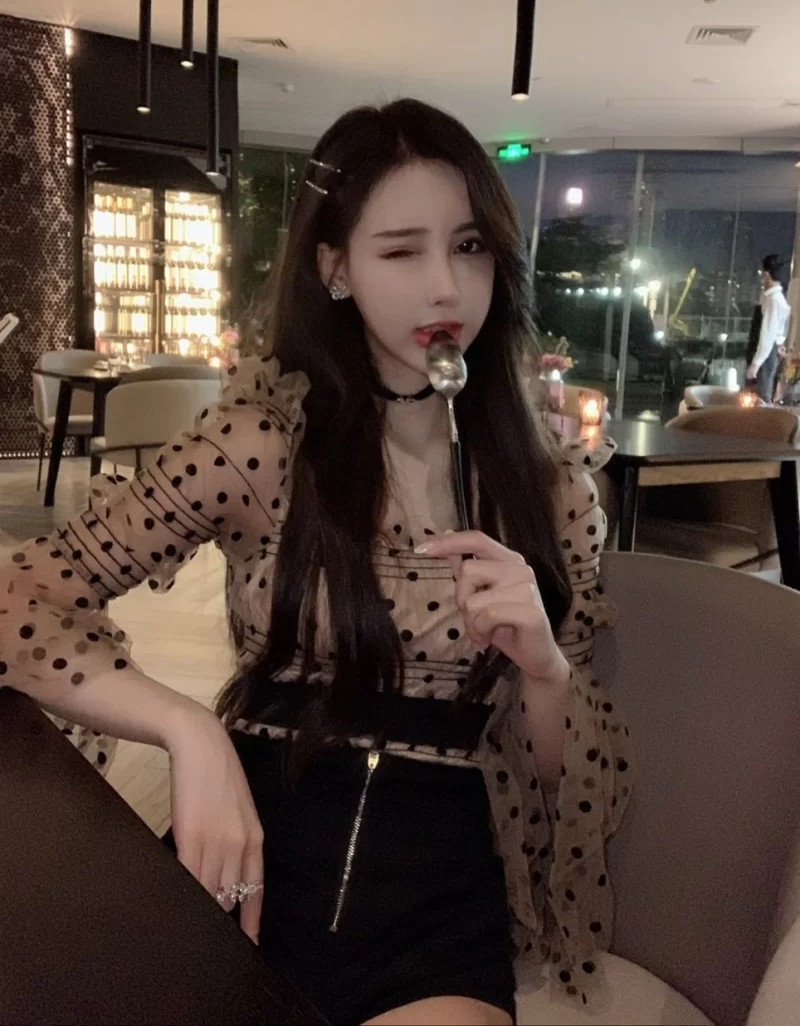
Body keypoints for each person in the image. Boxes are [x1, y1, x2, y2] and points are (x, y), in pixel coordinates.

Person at [0, 99, 632, 1026]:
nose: (445, 289)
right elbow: (21, 600)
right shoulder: (262, 447)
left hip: (438, 898)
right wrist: (188, 730)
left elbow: (563, 776)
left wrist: (542, 664)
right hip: (250, 851)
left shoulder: (555, 494)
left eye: (468, 247)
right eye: (401, 251)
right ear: (336, 269)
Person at [746, 254, 791, 403]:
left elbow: (767, 335)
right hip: (768, 352)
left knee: (760, 399)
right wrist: (780, 343)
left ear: (766, 274)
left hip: (765, 356)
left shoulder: (773, 300)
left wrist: (755, 364)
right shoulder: (774, 298)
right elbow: (779, 329)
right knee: (759, 398)